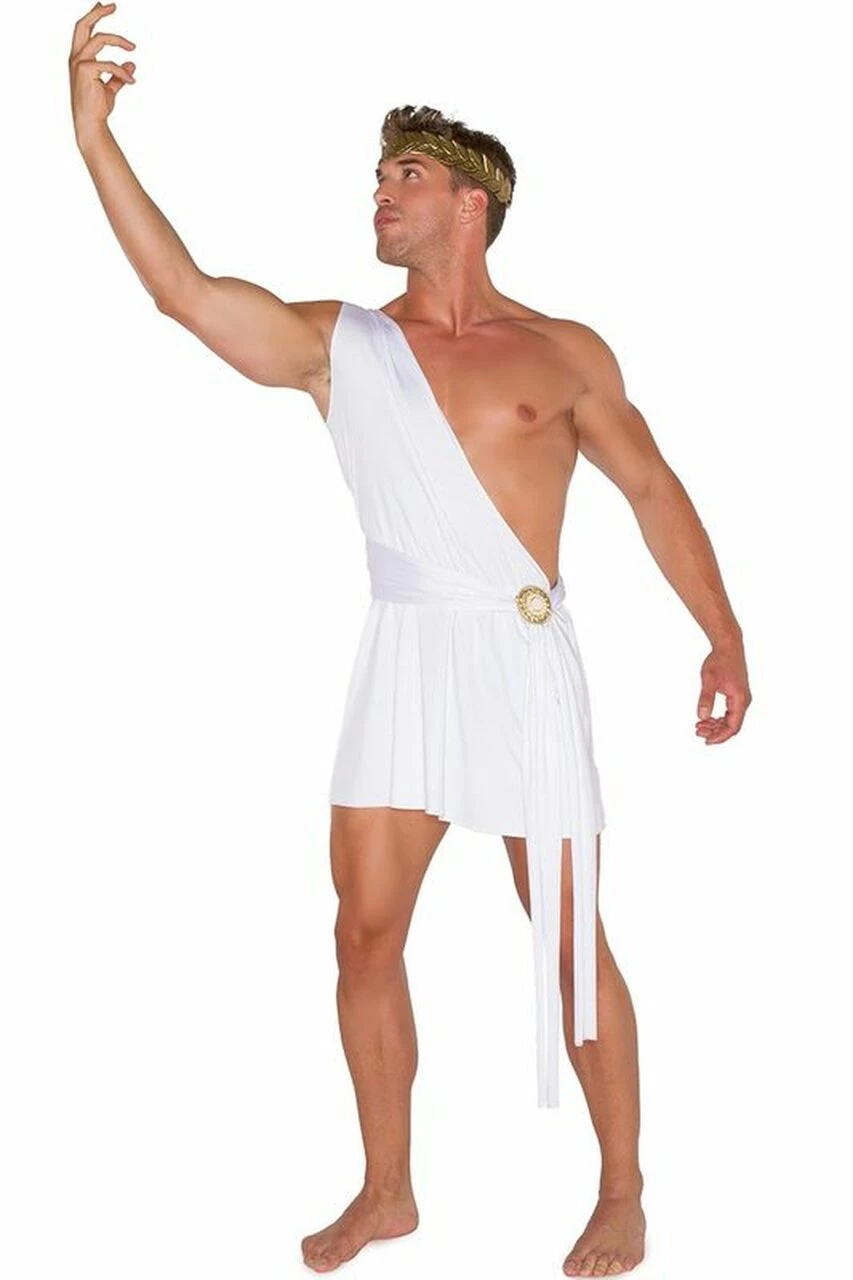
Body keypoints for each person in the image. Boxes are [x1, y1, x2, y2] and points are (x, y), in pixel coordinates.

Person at [69, 5, 752, 1275]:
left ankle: (621, 1191)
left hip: (523, 656)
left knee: (565, 934)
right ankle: (387, 1187)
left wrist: (722, 635)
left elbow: (652, 489)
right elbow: (183, 294)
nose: (379, 193)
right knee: (363, 931)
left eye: (407, 174)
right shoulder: (343, 343)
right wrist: (95, 138)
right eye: (379, 174)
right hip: (403, 652)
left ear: (471, 205)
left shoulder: (563, 350)